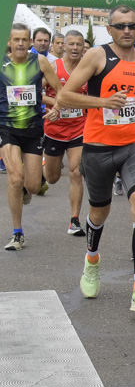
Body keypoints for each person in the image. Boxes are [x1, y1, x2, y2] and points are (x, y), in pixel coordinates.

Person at [57, 5, 135, 311]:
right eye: (121, 26)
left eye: (132, 26)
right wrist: (103, 101)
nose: (128, 31)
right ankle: (92, 259)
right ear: (110, 29)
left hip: (134, 144)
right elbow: (65, 95)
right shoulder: (97, 56)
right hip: (98, 147)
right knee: (99, 214)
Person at [1, 23, 64, 250]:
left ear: (30, 42)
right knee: (15, 179)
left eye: (24, 40)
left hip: (34, 129)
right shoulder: (2, 63)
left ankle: (27, 190)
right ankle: (17, 233)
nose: (20, 43)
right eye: (15, 39)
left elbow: (59, 90)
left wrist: (57, 107)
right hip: (7, 129)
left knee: (34, 185)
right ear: (9, 42)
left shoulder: (39, 62)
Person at [43, 30, 89, 237]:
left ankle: (74, 220)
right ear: (62, 46)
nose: (75, 48)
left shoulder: (89, 69)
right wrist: (57, 104)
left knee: (76, 172)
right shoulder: (53, 68)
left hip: (80, 128)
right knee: (52, 178)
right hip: (54, 129)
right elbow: (38, 93)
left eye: (79, 44)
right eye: (71, 44)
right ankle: (46, 169)